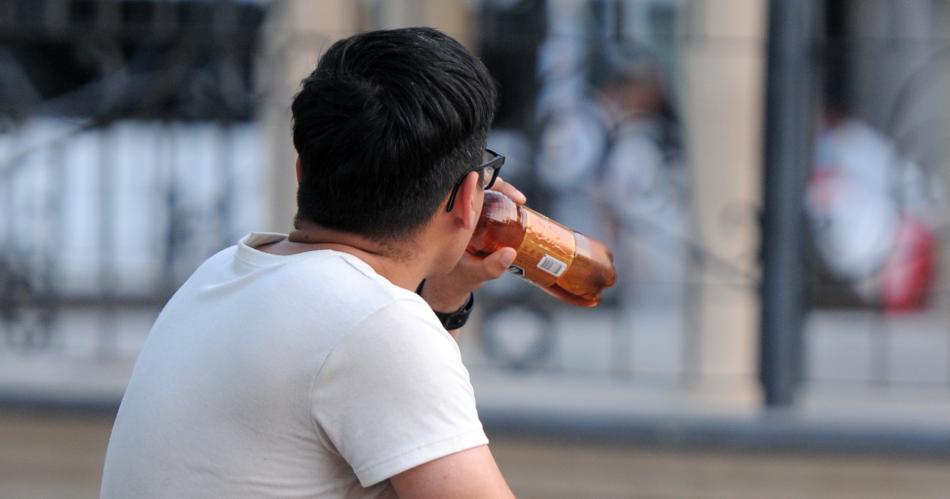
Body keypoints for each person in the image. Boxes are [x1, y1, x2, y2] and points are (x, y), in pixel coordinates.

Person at [100, 27, 522, 498]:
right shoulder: (378, 327)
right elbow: (374, 343)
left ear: (302, 169)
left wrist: (444, 299)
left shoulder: (223, 272)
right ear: (469, 198)